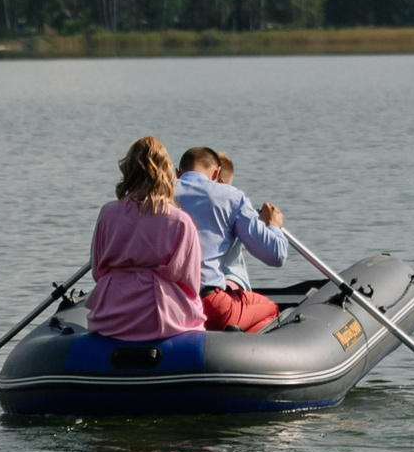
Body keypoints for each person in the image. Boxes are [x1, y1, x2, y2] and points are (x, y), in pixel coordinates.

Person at [89, 135, 205, 342]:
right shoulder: (179, 221)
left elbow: (98, 270)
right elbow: (191, 282)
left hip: (111, 315)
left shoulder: (107, 214)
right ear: (167, 172)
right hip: (159, 315)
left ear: (128, 171)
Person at [174, 144, 288, 333]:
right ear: (217, 173)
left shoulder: (156, 195)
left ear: (178, 173)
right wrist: (274, 226)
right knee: (271, 309)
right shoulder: (231, 197)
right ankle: (240, 349)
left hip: (164, 302)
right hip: (208, 303)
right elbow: (275, 255)